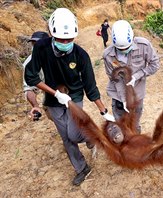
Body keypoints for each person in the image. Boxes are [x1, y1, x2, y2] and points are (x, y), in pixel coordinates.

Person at [25, 8, 115, 186]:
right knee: (65, 138)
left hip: (74, 96)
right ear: (51, 34)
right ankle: (82, 168)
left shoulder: (81, 55)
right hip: (53, 100)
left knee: (74, 134)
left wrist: (104, 111)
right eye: (61, 39)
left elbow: (90, 87)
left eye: (69, 39)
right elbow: (31, 77)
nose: (65, 42)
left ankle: (91, 137)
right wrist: (55, 93)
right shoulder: (41, 48)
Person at [103, 20, 160, 133]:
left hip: (137, 94)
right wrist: (124, 99)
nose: (124, 51)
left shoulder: (144, 46)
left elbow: (155, 64)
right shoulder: (108, 55)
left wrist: (137, 76)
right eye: (120, 49)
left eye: (126, 48)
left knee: (135, 125)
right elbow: (114, 79)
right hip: (118, 96)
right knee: (121, 127)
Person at [23, 31, 49, 121]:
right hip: (49, 92)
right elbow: (29, 88)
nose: (36, 47)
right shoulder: (28, 65)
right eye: (34, 44)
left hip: (67, 89)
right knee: (51, 112)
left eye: (39, 44)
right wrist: (36, 106)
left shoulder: (60, 54)